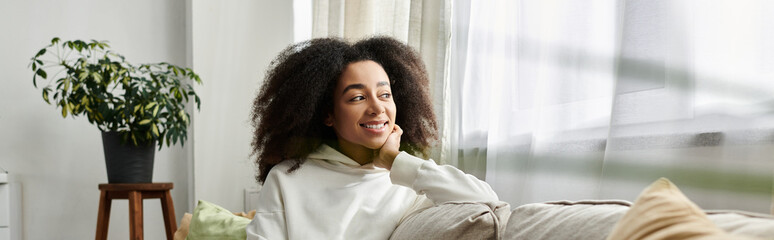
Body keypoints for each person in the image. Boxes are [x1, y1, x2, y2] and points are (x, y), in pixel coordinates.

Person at [246, 36, 498, 239]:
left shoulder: (408, 181)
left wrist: (393, 160)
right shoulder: (286, 178)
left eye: (385, 95)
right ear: (328, 115)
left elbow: (488, 201)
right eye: (358, 97)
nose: (377, 108)